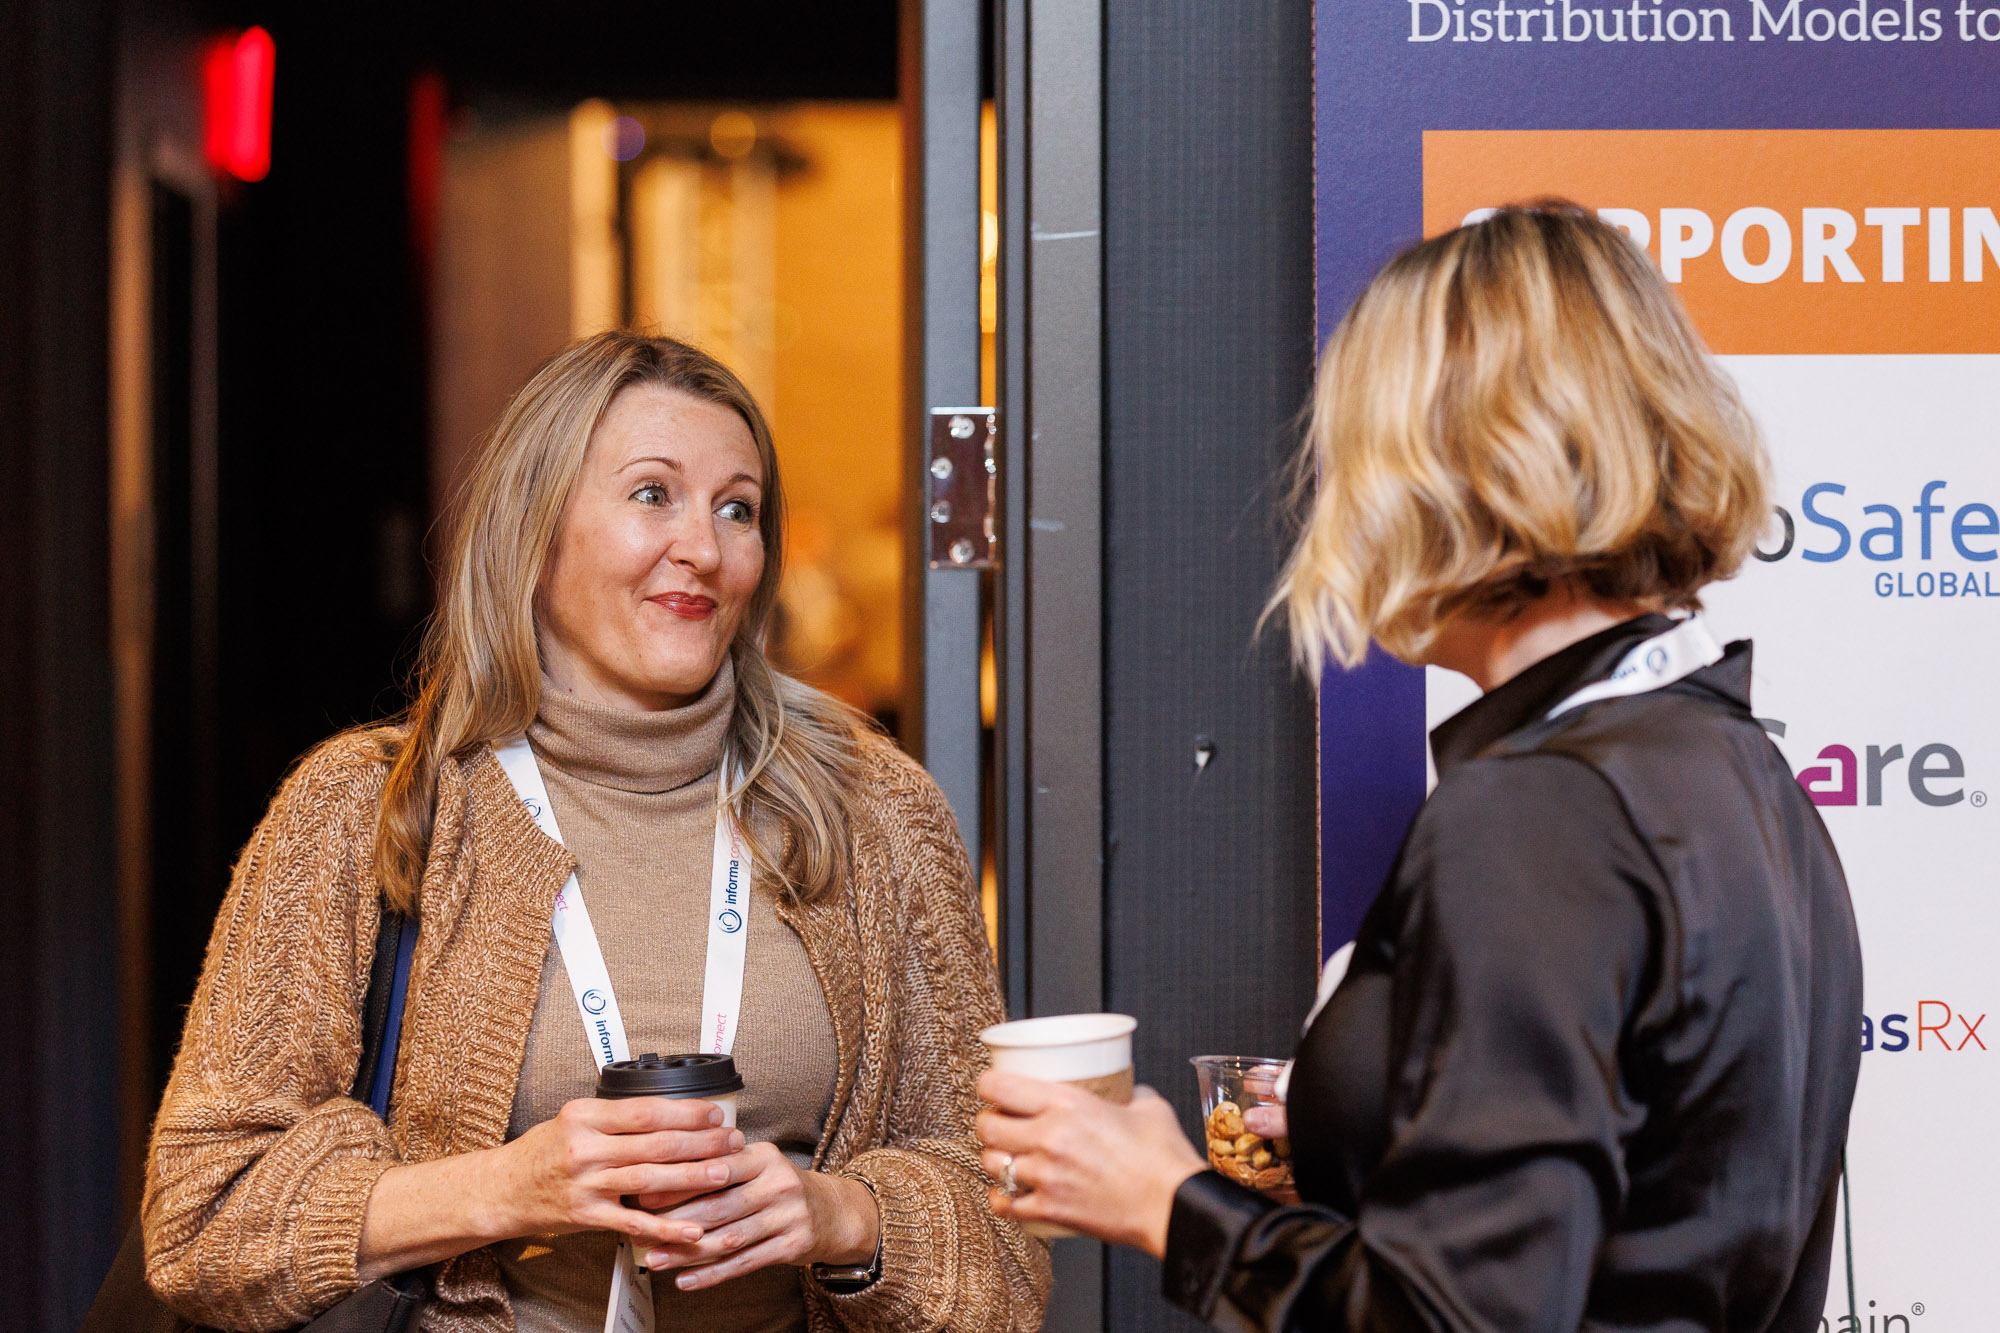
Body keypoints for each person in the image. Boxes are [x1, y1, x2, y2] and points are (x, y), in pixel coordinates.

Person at [973, 204, 1863, 1331]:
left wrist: (1166, 1200)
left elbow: (1456, 1317)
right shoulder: (1733, 765)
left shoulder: (1539, 812)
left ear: (1441, 473)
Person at [143, 331, 1049, 1333]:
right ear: (536, 530)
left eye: (736, 508)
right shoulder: (366, 810)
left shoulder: (874, 813)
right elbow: (202, 1220)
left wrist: (840, 1216)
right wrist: (510, 1187)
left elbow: (1005, 1253)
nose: (703, 549)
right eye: (652, 493)